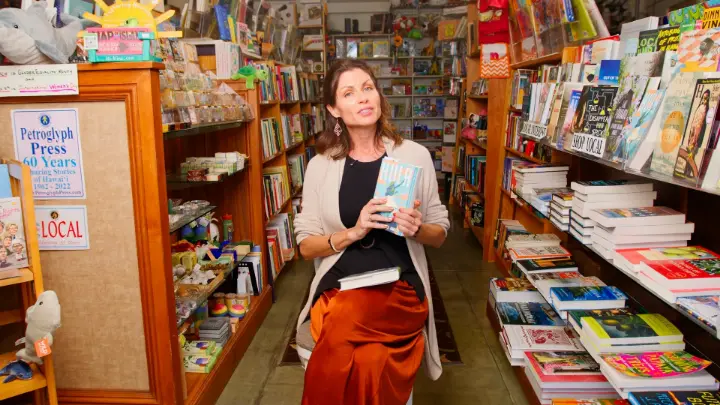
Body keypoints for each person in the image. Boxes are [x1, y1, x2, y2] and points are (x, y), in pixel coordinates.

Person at [293, 59, 450, 405]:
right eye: (349, 93)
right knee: (370, 357)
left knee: (344, 321)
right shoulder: (320, 166)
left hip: (400, 287)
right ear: (334, 109)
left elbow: (439, 233)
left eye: (368, 88)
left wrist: (417, 228)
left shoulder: (414, 156)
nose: (363, 97)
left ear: (379, 95)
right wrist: (353, 232)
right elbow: (305, 247)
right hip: (340, 285)